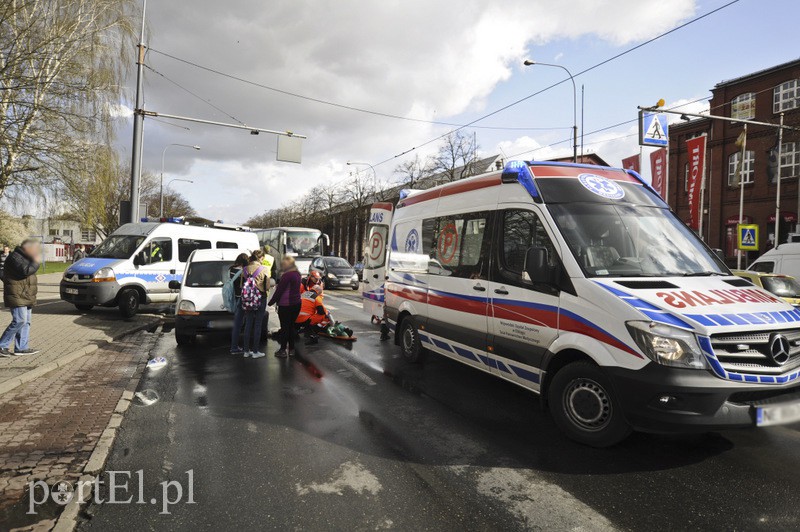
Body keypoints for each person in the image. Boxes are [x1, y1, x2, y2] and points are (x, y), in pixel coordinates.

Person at [0, 240, 41, 357]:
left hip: (26, 294)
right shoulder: (15, 257)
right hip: (17, 294)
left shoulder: (27, 258)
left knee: (26, 322)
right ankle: (2, 345)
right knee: (20, 320)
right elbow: (25, 271)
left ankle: (21, 348)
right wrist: (36, 262)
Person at [269, 256, 301, 358]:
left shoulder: (287, 276)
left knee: (285, 328)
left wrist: (270, 302)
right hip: (296, 303)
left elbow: (279, 291)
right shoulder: (297, 274)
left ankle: (282, 350)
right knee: (291, 326)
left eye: (283, 264)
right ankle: (292, 349)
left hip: (286, 305)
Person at [242, 249, 269, 358]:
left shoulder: (245, 269)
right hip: (260, 298)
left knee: (248, 323)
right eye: (263, 259)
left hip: (248, 298)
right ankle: (255, 351)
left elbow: (241, 285)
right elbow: (267, 286)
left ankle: (246, 351)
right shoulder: (264, 269)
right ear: (261, 258)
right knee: (258, 324)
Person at [228, 253, 249, 355]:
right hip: (243, 298)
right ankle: (235, 347)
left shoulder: (231, 269)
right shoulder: (243, 271)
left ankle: (235, 346)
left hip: (235, 297)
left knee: (237, 324)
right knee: (242, 324)